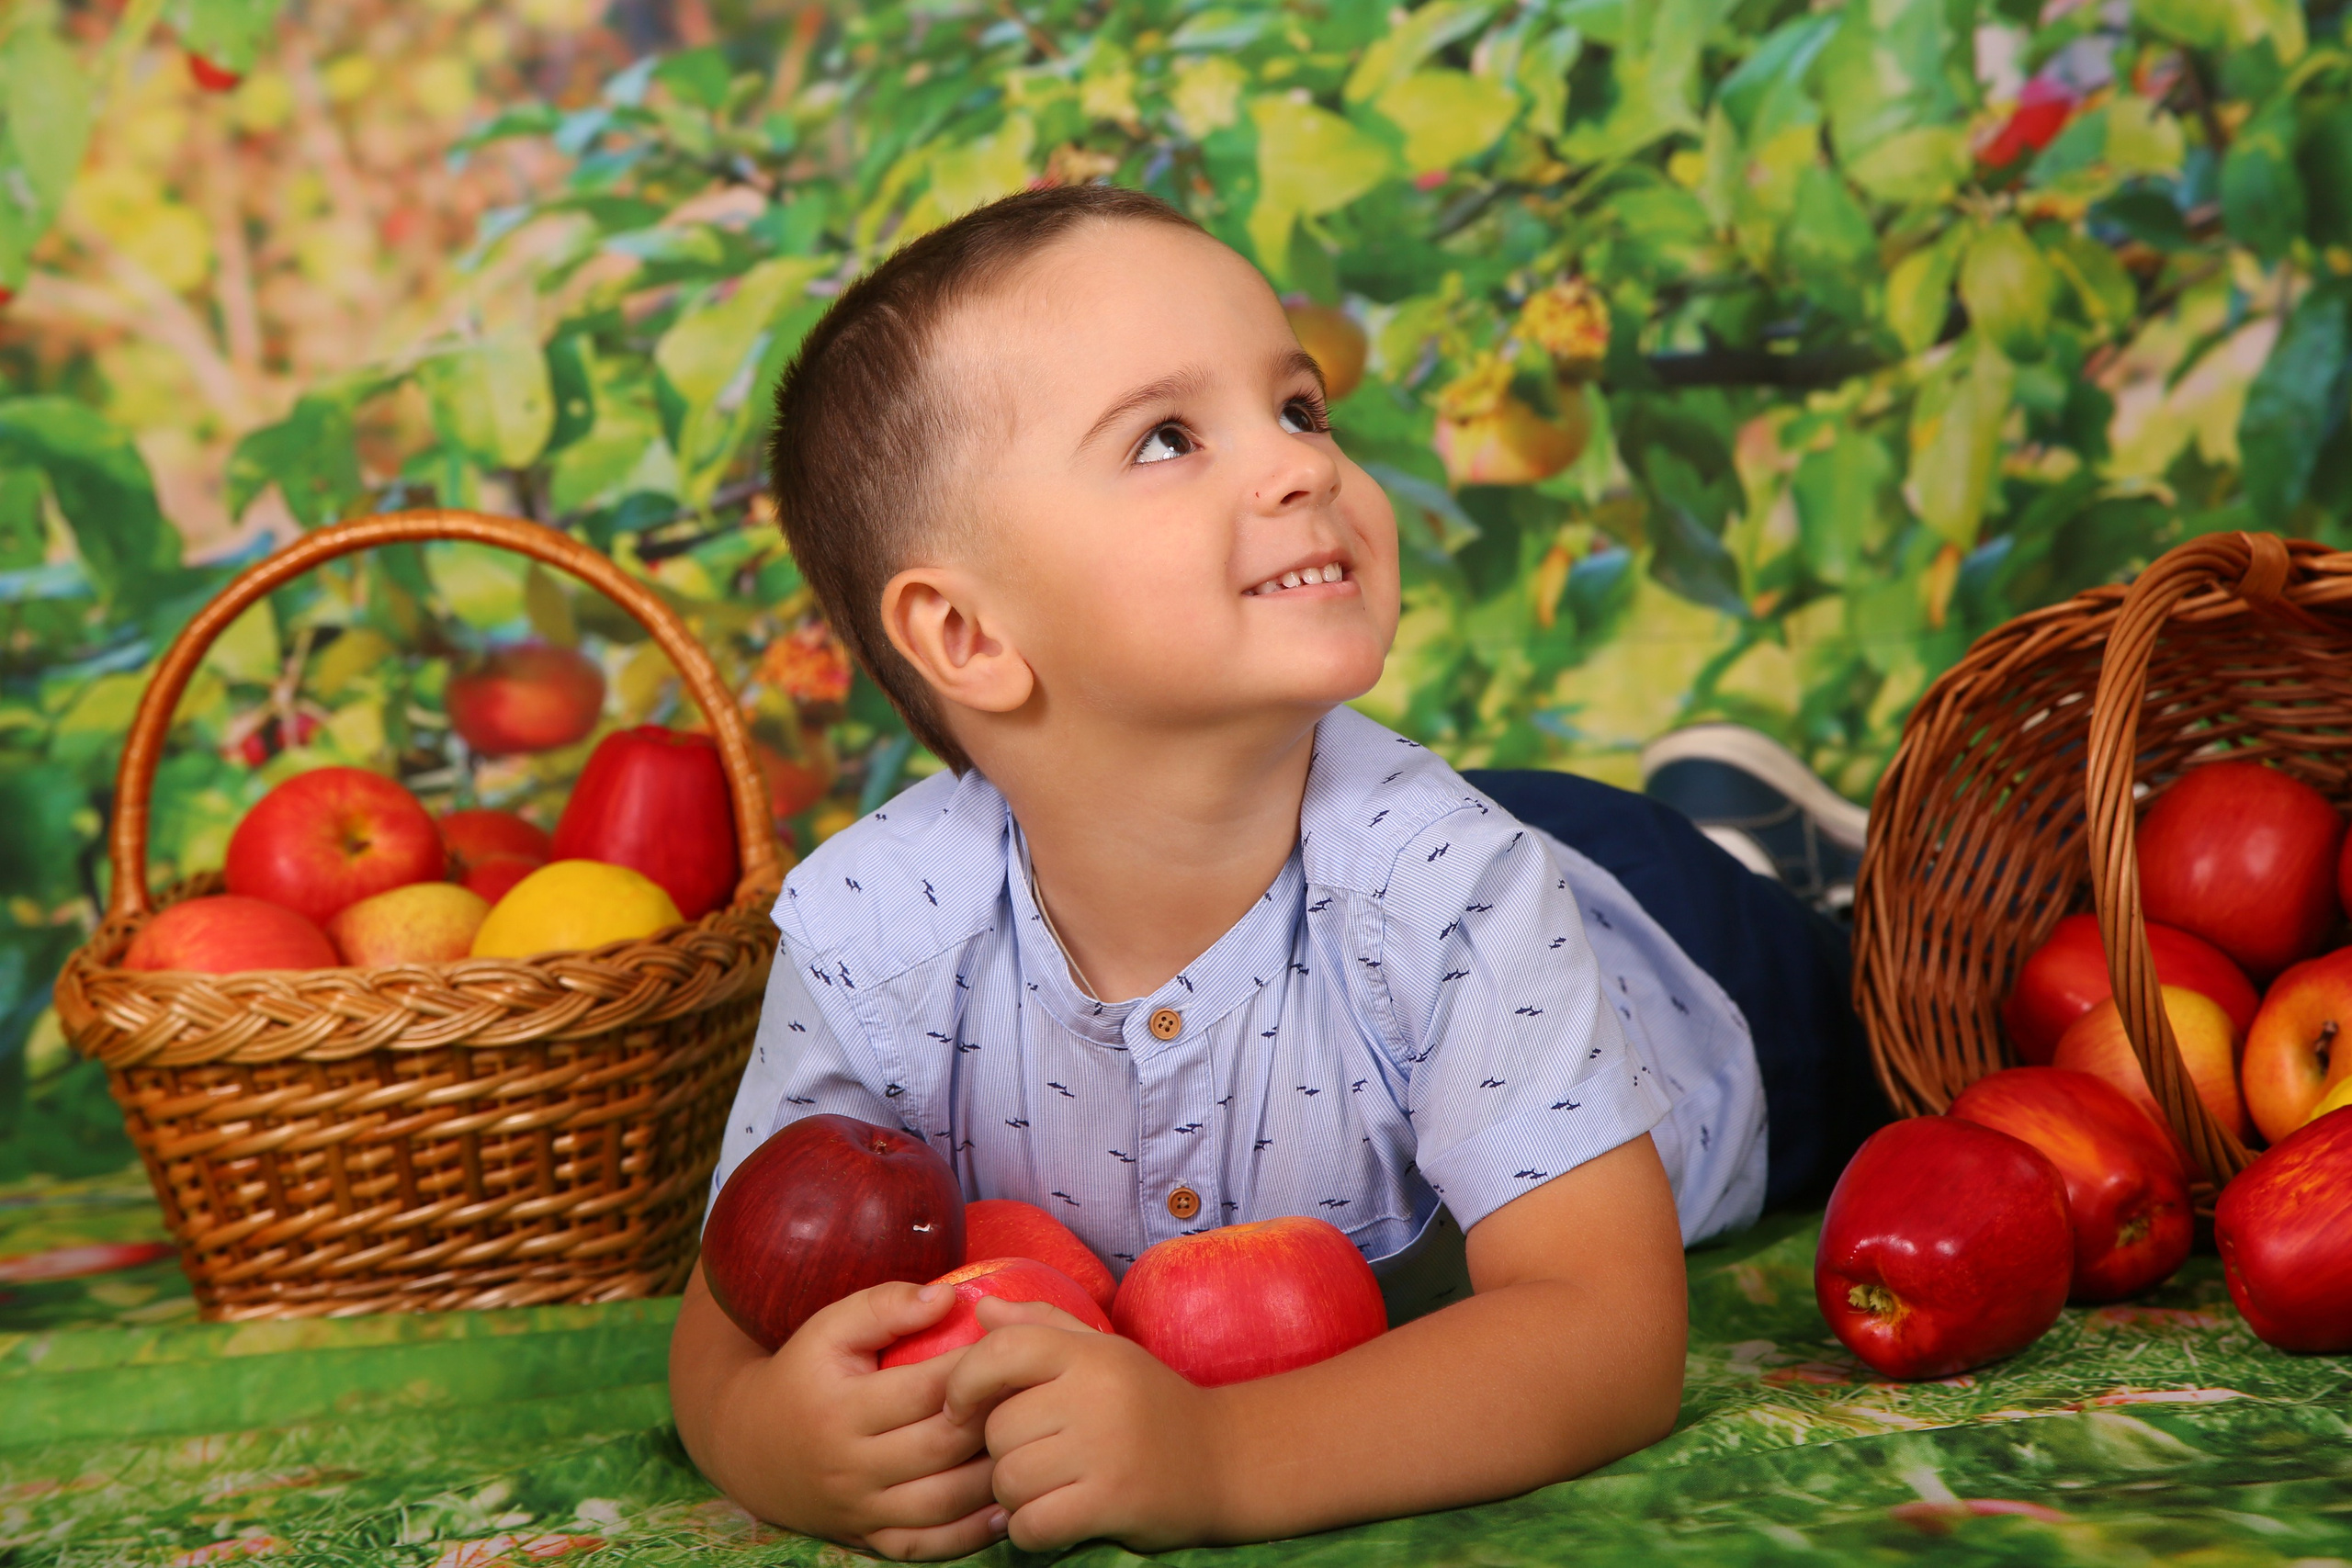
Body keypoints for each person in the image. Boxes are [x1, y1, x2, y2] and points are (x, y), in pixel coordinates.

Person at [668, 184, 1883, 1561]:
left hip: (1680, 966)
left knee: (1860, 1012)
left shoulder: (1456, 891)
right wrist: (777, 1438)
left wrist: (1221, 1459)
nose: (1304, 465)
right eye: (1169, 437)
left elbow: (1607, 1337)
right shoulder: (876, 936)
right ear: (964, 633)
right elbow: (731, 1312)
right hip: (1446, 854)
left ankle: (1781, 866)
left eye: (1299, 407)